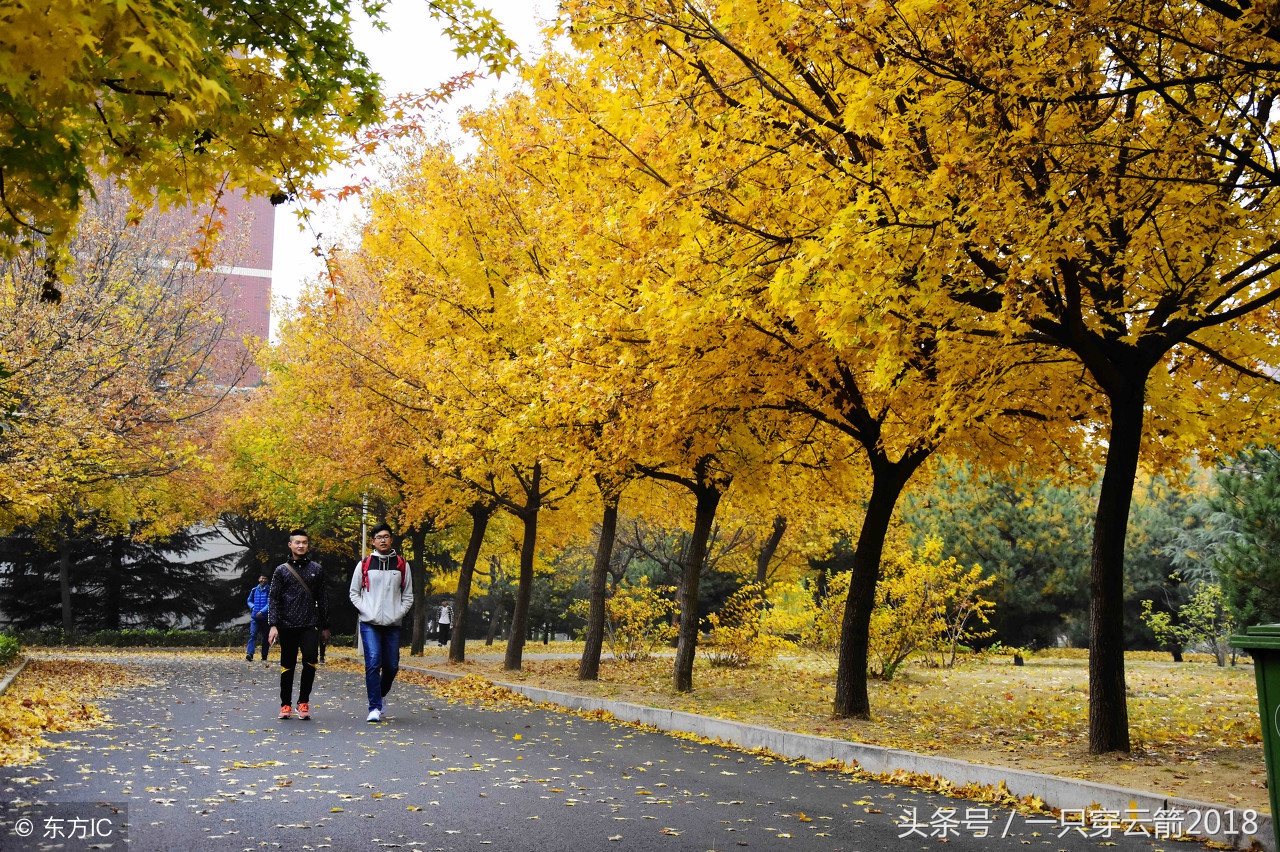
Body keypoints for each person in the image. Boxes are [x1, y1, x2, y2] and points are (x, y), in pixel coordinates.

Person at [348, 523, 413, 722]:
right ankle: (374, 707)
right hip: (370, 623)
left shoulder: (402, 564)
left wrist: (398, 613)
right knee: (373, 662)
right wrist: (366, 610)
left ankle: (381, 695)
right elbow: (354, 593)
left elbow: (408, 596)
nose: (382, 540)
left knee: (392, 666)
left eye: (386, 536)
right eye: (378, 537)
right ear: (373, 541)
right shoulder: (365, 564)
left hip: (393, 624)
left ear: (391, 539)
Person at [268, 530, 329, 721]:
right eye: (297, 542)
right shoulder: (281, 570)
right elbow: (274, 598)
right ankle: (285, 704)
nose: (301, 546)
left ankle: (303, 702)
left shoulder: (316, 569)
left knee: (310, 660)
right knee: (288, 664)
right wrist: (273, 624)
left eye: (304, 542)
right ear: (290, 545)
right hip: (287, 625)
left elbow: (323, 597)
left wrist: (326, 625)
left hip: (310, 624)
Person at [245, 574, 270, 662]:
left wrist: (262, 611)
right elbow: (249, 600)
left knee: (265, 637)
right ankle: (250, 654)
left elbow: (269, 603)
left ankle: (264, 655)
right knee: (252, 635)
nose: (263, 580)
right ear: (259, 579)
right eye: (262, 578)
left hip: (265, 618)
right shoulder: (254, 590)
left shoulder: (269, 590)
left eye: (265, 579)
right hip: (255, 617)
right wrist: (252, 607)